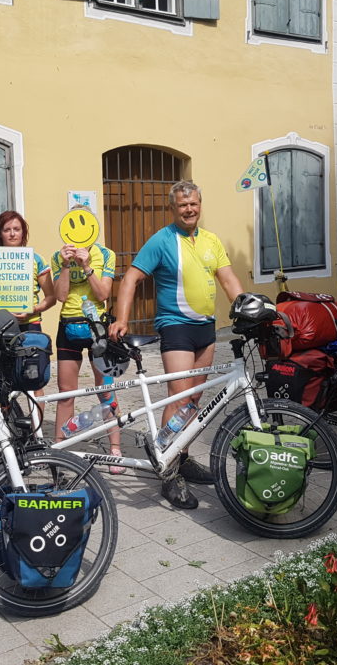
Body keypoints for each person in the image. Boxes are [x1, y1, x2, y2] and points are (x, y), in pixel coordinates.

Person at [109, 181, 244, 509]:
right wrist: (121, 319)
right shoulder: (162, 239)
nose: (189, 209)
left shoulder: (211, 240)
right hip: (176, 328)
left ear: (200, 204)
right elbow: (130, 279)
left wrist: (245, 306)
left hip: (205, 329)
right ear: (173, 208)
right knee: (179, 396)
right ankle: (167, 471)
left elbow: (228, 279)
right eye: (183, 205)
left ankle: (181, 456)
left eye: (194, 204)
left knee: (194, 400)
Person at [50, 226, 123, 472]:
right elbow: (60, 296)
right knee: (65, 392)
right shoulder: (58, 256)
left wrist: (87, 265)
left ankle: (115, 449)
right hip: (68, 328)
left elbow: (103, 293)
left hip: (97, 327)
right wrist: (67, 265)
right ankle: (59, 449)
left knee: (106, 389)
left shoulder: (106, 254)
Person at [0, 210, 57, 331]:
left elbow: (51, 298)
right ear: (0, 234)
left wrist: (32, 310)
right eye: (7, 230)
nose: (12, 234)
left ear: (23, 232)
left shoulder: (36, 260)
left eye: (17, 229)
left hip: (30, 325)